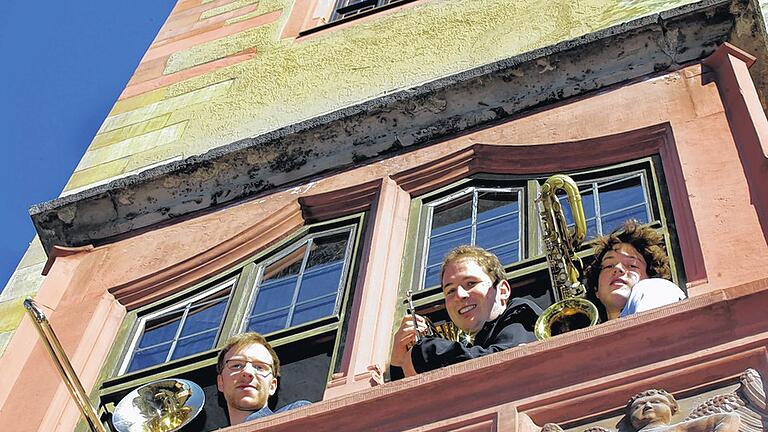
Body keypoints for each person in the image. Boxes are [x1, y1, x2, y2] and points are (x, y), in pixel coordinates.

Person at [390, 245, 541, 378]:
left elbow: (505, 360)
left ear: (502, 291)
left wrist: (425, 351)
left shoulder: (521, 312)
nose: (459, 295)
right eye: (450, 291)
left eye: (471, 283)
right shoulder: (473, 345)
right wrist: (398, 364)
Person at [586, 220, 686, 321]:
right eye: (608, 266)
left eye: (631, 265)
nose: (618, 268)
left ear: (649, 277)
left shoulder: (655, 287)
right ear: (596, 290)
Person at [216, 332, 311, 425]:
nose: (248, 372)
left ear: (272, 386)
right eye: (236, 365)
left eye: (259, 367)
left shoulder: (297, 415)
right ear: (221, 382)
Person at [617, 389, 739, 432]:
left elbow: (728, 418)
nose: (648, 406)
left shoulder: (676, 429)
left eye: (656, 402)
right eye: (638, 406)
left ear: (670, 409)